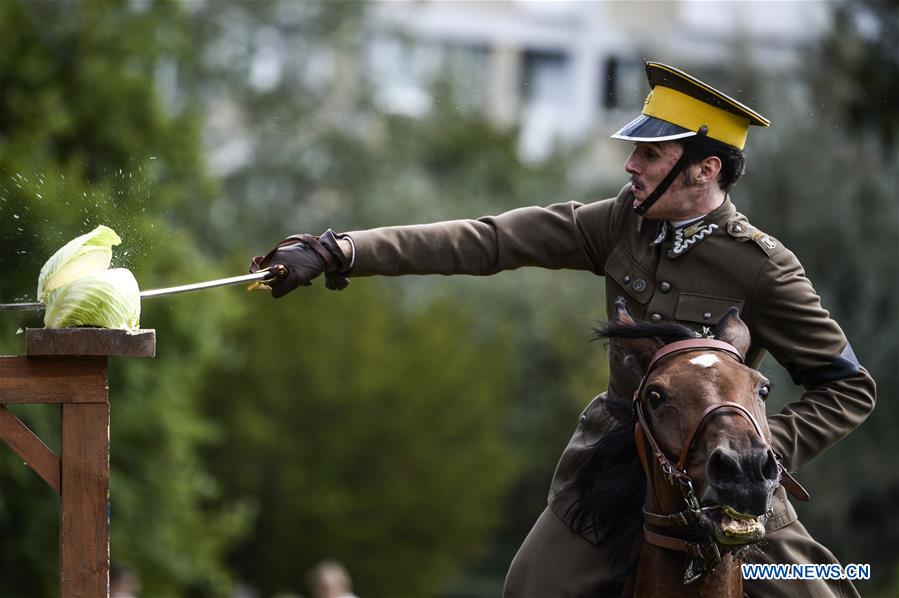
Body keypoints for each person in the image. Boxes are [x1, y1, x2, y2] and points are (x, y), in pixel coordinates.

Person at [252, 62, 876, 597]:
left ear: (704, 169)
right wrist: (342, 251)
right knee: (530, 586)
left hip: (726, 477)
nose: (630, 164)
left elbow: (850, 389)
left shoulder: (762, 267)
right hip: (616, 461)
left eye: (650, 155)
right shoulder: (617, 223)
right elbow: (489, 240)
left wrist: (749, 447)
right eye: (635, 150)